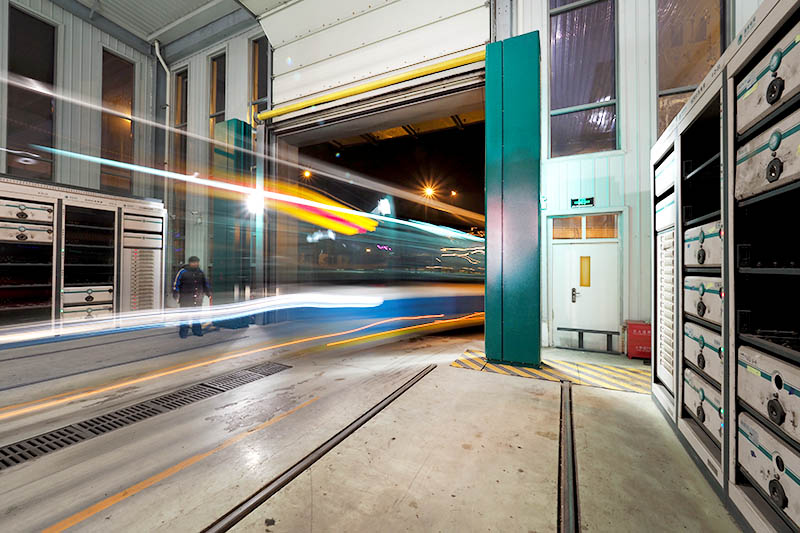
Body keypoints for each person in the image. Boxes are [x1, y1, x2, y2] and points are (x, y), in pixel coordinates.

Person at [173, 256, 212, 338]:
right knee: (185, 316)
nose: (195, 264)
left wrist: (208, 293)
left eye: (197, 262)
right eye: (193, 262)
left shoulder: (200, 272)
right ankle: (183, 332)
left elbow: (205, 283)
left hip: (198, 298)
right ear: (190, 263)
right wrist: (176, 294)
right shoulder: (182, 272)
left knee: (197, 316)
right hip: (186, 298)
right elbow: (176, 284)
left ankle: (197, 330)